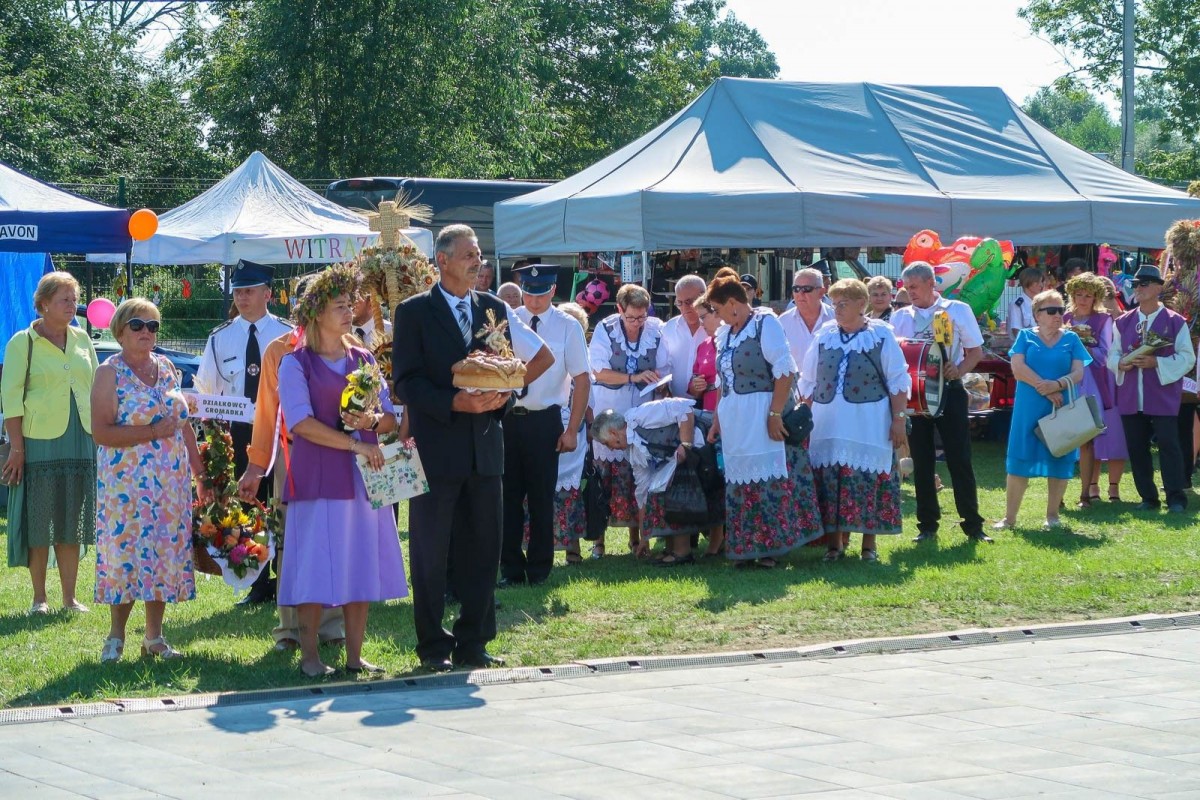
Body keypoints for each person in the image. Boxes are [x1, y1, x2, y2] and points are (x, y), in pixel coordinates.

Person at [393, 224, 552, 673]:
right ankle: (432, 647)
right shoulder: (414, 312)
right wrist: (454, 401)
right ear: (441, 261)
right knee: (430, 551)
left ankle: (475, 641)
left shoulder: (493, 308)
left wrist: (506, 393)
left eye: (479, 254)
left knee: (484, 547)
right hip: (437, 448)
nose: (477, 261)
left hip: (486, 446)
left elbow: (508, 365)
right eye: (468, 254)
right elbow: (406, 381)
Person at [277, 264, 408, 677]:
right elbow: (300, 423)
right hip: (318, 475)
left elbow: (388, 418)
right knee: (314, 564)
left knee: (360, 562)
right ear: (315, 313)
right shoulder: (295, 364)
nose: (349, 311)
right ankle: (310, 656)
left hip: (364, 478)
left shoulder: (365, 357)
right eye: (338, 306)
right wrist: (353, 442)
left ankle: (354, 656)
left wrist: (370, 424)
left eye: (349, 304)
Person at [92, 298, 210, 662]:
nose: (147, 332)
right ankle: (115, 637)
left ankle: (154, 638)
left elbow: (183, 424)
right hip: (126, 485)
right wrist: (152, 431)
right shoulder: (108, 372)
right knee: (127, 553)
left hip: (170, 483)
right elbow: (101, 432)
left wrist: (199, 473)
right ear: (121, 330)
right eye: (138, 325)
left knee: (161, 552)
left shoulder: (167, 366)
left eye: (154, 326)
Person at [237, 274, 347, 654]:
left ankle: (332, 626)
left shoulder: (351, 346)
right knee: (290, 542)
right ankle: (289, 629)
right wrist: (256, 467)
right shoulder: (279, 350)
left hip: (340, 455)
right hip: (293, 457)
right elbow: (267, 414)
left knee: (334, 537)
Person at [706, 270, 822, 567]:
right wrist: (718, 419)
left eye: (718, 310)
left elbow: (785, 371)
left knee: (766, 479)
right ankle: (745, 547)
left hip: (760, 412)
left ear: (733, 303)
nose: (717, 317)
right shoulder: (726, 334)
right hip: (735, 420)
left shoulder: (764, 323)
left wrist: (774, 413)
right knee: (740, 481)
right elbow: (723, 381)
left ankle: (770, 548)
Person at [195, 260, 293, 604]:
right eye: (238, 291)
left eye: (250, 291)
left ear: (268, 293)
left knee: (281, 501)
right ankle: (256, 580)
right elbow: (207, 388)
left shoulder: (288, 335)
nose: (243, 297)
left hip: (280, 430)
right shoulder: (221, 337)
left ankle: (285, 577)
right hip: (238, 433)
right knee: (246, 505)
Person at [3, 272, 98, 615]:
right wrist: (17, 448)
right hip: (38, 441)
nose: (72, 306)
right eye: (64, 300)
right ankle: (39, 598)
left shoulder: (83, 339)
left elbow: (98, 387)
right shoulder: (21, 342)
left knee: (72, 518)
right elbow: (10, 401)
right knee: (40, 520)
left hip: (81, 438)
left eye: (74, 299)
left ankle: (70, 598)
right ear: (43, 305)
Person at [800, 279, 910, 560]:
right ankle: (835, 545)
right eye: (835, 303)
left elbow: (898, 380)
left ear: (862, 304)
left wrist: (898, 420)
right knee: (831, 482)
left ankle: (868, 546)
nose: (837, 309)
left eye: (844, 303)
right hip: (827, 424)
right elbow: (808, 380)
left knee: (868, 480)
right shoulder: (824, 335)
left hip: (868, 424)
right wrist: (802, 415)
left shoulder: (881, 336)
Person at [500, 265, 589, 587]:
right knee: (506, 498)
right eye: (528, 292)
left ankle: (539, 569)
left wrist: (572, 430)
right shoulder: (507, 319)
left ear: (552, 291)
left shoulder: (568, 326)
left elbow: (582, 379)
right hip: (507, 417)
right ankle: (509, 568)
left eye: (540, 293)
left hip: (544, 419)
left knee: (540, 499)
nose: (534, 300)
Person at [891, 262, 991, 543]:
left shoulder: (957, 310)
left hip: (950, 391)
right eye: (906, 287)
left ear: (931, 284)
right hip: (915, 395)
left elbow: (975, 351)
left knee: (959, 458)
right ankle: (927, 526)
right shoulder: (899, 318)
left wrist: (958, 370)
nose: (909, 292)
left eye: (914, 287)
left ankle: (972, 524)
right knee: (921, 461)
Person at [994, 291, 1090, 529]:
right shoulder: (1025, 337)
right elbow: (1017, 368)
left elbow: (1079, 373)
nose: (1058, 315)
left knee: (1059, 457)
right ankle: (1010, 518)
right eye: (1052, 311)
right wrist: (1045, 388)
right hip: (1029, 407)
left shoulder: (1072, 339)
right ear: (1037, 314)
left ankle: (1052, 516)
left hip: (1061, 406)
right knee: (1019, 459)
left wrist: (1056, 385)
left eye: (1060, 310)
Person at [1107, 265, 1196, 513]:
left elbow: (1187, 359)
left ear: (1158, 287)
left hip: (1162, 396)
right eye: (1136, 284)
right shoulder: (1123, 322)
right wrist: (1121, 363)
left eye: (1144, 284)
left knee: (1169, 445)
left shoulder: (1175, 321)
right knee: (1137, 447)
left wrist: (1156, 362)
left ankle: (1176, 498)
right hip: (1130, 396)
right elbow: (1111, 355)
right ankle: (1148, 497)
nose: (1139, 288)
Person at [588, 283, 669, 556]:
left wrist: (658, 378)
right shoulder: (605, 329)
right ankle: (599, 541)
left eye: (642, 317)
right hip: (611, 410)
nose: (637, 323)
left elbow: (665, 365)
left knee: (638, 475)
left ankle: (637, 538)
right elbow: (598, 371)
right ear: (620, 309)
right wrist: (632, 377)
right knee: (605, 478)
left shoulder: (657, 329)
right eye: (632, 317)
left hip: (642, 414)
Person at [591, 399, 704, 566]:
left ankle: (682, 552)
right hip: (681, 463)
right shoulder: (634, 452)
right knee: (655, 493)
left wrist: (685, 445)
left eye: (607, 443)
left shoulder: (641, 416)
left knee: (676, 487)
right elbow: (642, 493)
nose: (610, 449)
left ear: (614, 432)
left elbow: (684, 409)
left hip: (701, 447)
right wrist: (644, 538)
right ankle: (671, 549)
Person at [1063, 273, 1127, 507]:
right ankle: (1066, 492)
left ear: (1096, 297)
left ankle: (1094, 490)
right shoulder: (1065, 317)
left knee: (1090, 432)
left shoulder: (1103, 320)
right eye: (1078, 294)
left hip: (1095, 378)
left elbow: (1108, 352)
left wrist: (1086, 348)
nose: (1082, 299)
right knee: (1067, 432)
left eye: (1088, 295)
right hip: (1070, 377)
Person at [554, 303, 594, 563]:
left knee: (569, 490)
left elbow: (590, 395)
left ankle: (573, 549)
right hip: (547, 426)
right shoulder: (547, 350)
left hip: (574, 430)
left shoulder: (585, 356)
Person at [687, 294, 724, 556]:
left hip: (729, 415)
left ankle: (723, 535)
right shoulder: (704, 345)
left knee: (725, 476)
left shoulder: (731, 340)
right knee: (711, 476)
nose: (701, 324)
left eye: (704, 317)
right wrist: (697, 387)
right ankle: (714, 533)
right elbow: (694, 384)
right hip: (707, 414)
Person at [779, 268, 834, 379]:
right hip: (795, 392)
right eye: (796, 289)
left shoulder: (836, 319)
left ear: (821, 292)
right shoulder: (782, 322)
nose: (800, 293)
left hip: (828, 389)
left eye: (807, 289)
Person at [662, 275, 708, 400]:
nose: (684, 308)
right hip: (676, 405)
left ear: (703, 297)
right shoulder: (669, 329)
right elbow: (662, 368)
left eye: (688, 302)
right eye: (679, 303)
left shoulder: (714, 327)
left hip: (709, 403)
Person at [1006, 266, 1045, 338]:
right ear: (1028, 283)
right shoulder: (1017, 304)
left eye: (1041, 282)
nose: (1041, 285)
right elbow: (1016, 331)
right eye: (1037, 282)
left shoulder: (1042, 304)